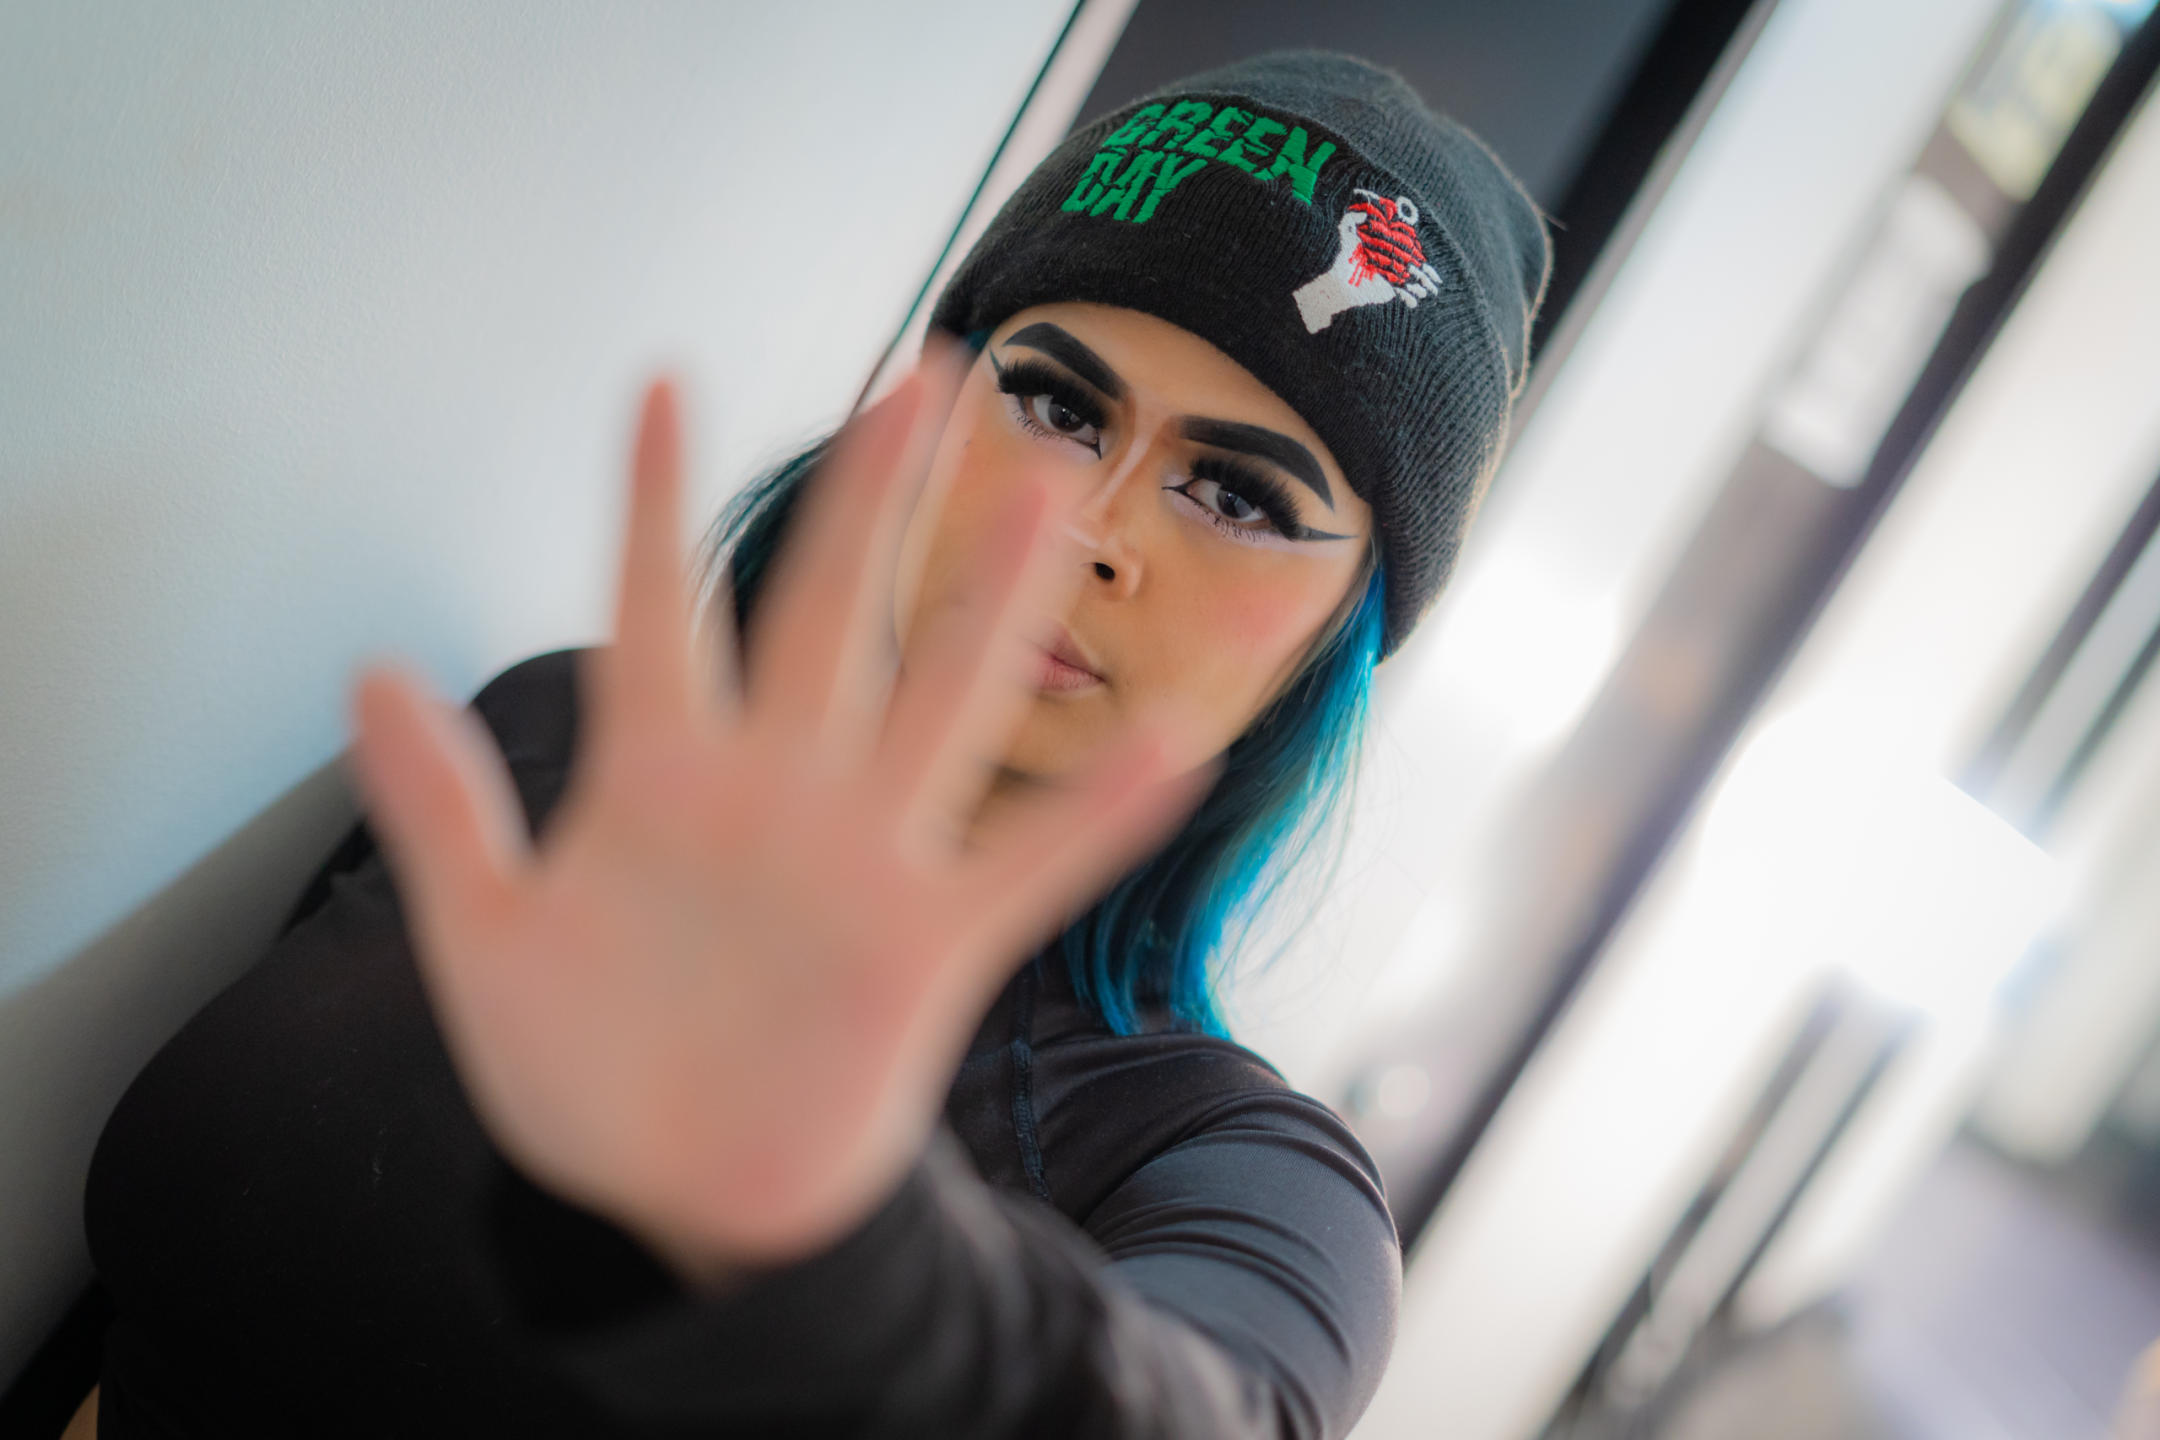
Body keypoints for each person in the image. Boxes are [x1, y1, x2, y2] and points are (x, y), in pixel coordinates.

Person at [72, 51, 1548, 1439]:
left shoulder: (1243, 1178)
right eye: (1054, 404)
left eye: (1237, 496)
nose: (1089, 529)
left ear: (1338, 636)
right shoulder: (552, 732)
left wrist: (835, 1230)